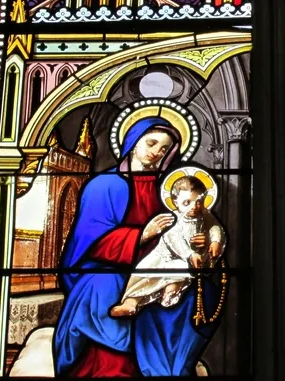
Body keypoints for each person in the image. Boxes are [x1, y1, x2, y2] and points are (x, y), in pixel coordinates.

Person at [54, 116, 221, 377]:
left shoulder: (170, 190)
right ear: (133, 144)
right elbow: (89, 242)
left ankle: (170, 367)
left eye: (164, 149)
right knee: (105, 287)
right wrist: (142, 235)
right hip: (107, 266)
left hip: (161, 263)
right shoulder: (104, 186)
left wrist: (200, 242)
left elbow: (188, 228)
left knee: (202, 292)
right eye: (152, 143)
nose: (156, 153)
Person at [110, 175, 225, 316]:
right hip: (162, 257)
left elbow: (215, 227)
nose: (194, 207)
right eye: (187, 202)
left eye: (199, 202)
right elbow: (174, 239)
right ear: (176, 201)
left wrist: (215, 241)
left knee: (180, 270)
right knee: (142, 270)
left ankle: (169, 294)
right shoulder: (173, 219)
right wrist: (189, 254)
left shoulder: (205, 215)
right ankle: (130, 302)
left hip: (184, 262)